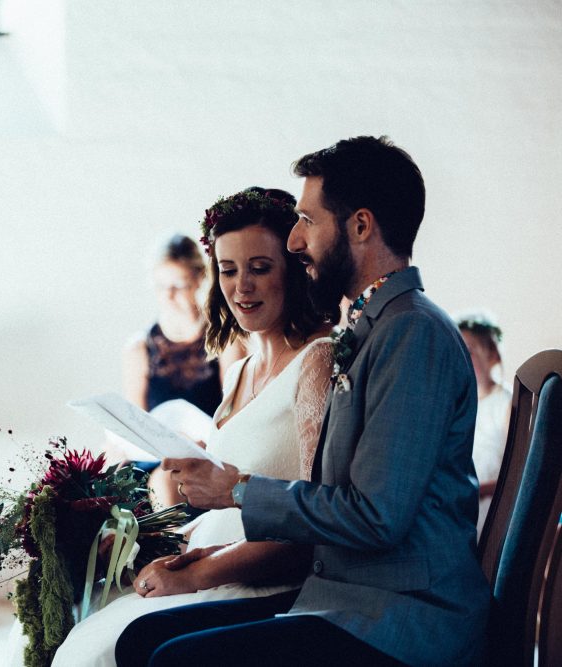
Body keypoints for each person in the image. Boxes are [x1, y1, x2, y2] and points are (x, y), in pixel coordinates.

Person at [116, 136, 491, 666]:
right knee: (140, 642)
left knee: (172, 658)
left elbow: (376, 517)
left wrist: (238, 491)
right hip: (341, 595)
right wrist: (214, 553)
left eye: (308, 221)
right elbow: (335, 496)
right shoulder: (374, 327)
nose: (295, 240)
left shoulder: (413, 333)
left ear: (360, 226)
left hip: (403, 616)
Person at [49, 187, 336, 667]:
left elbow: (310, 524)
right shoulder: (243, 368)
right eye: (229, 270)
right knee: (77, 637)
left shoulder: (316, 359)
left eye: (260, 268)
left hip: (258, 580)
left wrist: (194, 575)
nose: (242, 286)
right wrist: (145, 540)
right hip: (208, 559)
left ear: (292, 267)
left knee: (100, 653)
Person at [113, 234, 245, 508]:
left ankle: (178, 548)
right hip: (155, 459)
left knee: (171, 479)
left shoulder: (224, 340)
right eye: (161, 287)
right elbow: (134, 425)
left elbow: (236, 411)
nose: (168, 296)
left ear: (198, 279)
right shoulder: (140, 347)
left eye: (178, 285)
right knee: (159, 477)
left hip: (211, 451)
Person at [458, 312, 511, 531]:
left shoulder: (507, 402)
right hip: (463, 500)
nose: (462, 357)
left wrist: (474, 488)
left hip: (492, 504)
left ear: (491, 354)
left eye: (468, 351)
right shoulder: (460, 401)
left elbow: (514, 470)